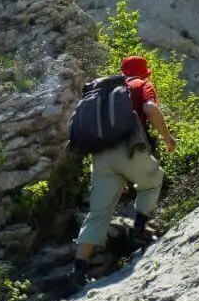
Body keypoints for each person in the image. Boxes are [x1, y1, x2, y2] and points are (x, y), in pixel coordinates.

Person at [70, 56, 176, 288]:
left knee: (98, 213)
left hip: (100, 156)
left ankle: (78, 271)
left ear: (122, 70)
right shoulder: (141, 85)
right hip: (129, 148)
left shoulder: (106, 90)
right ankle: (138, 231)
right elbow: (150, 108)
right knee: (154, 178)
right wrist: (167, 138)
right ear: (146, 72)